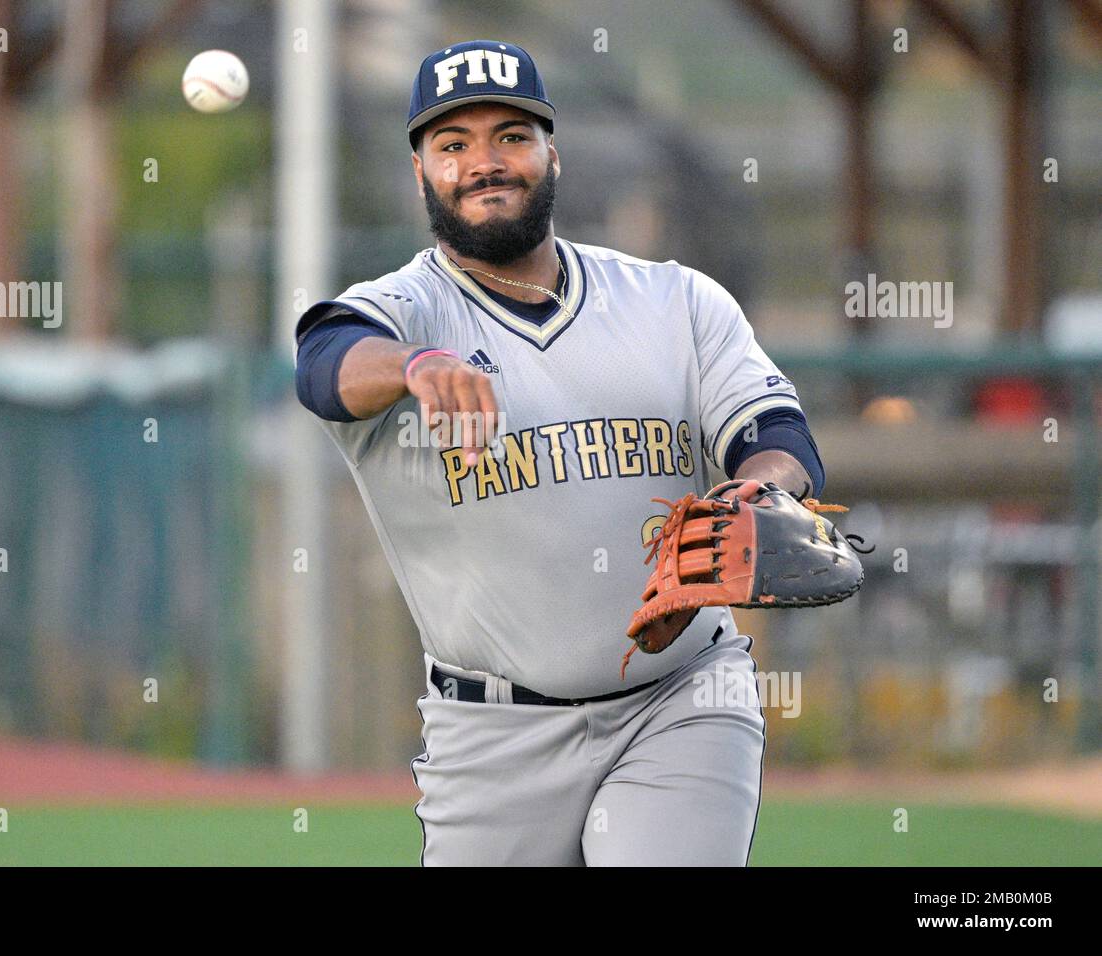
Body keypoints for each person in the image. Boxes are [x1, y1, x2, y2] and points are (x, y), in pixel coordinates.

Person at [293, 40, 825, 866]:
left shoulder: (672, 302)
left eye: (511, 135)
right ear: (421, 171)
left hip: (679, 698)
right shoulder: (399, 311)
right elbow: (324, 366)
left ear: (552, 153)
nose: (484, 162)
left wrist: (758, 492)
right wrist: (415, 364)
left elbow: (777, 439)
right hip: (490, 735)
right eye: (453, 144)